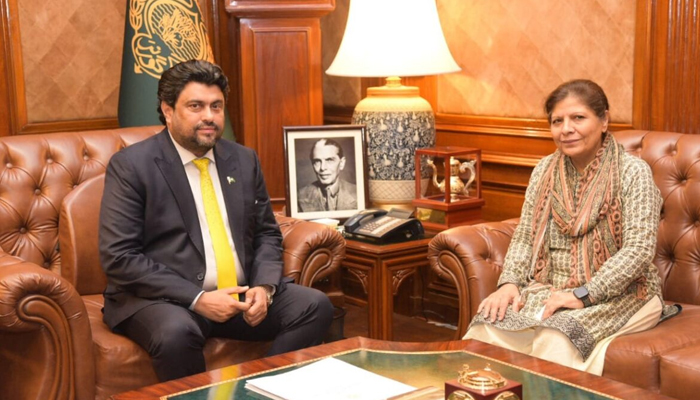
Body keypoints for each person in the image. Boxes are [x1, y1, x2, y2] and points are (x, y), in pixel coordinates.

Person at [99, 59, 334, 382]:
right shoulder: (132, 166)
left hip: (238, 294)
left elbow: (267, 233)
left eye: (216, 106)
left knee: (315, 306)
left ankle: (258, 390)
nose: (209, 116)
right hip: (166, 299)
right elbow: (119, 256)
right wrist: (198, 299)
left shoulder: (242, 158)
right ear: (168, 110)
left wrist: (264, 288)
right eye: (195, 106)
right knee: (175, 334)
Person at [464, 79, 680, 374]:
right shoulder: (544, 170)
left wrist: (584, 294)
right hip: (554, 288)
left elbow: (639, 250)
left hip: (626, 293)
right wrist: (509, 283)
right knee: (488, 326)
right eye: (557, 121)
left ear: (604, 121)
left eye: (578, 117)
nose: (566, 129)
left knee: (556, 338)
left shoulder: (633, 172)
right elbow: (526, 235)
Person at [297, 138, 357, 212]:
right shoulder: (300, 196)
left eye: (329, 160)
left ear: (342, 163)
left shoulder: (358, 193)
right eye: (317, 161)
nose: (323, 168)